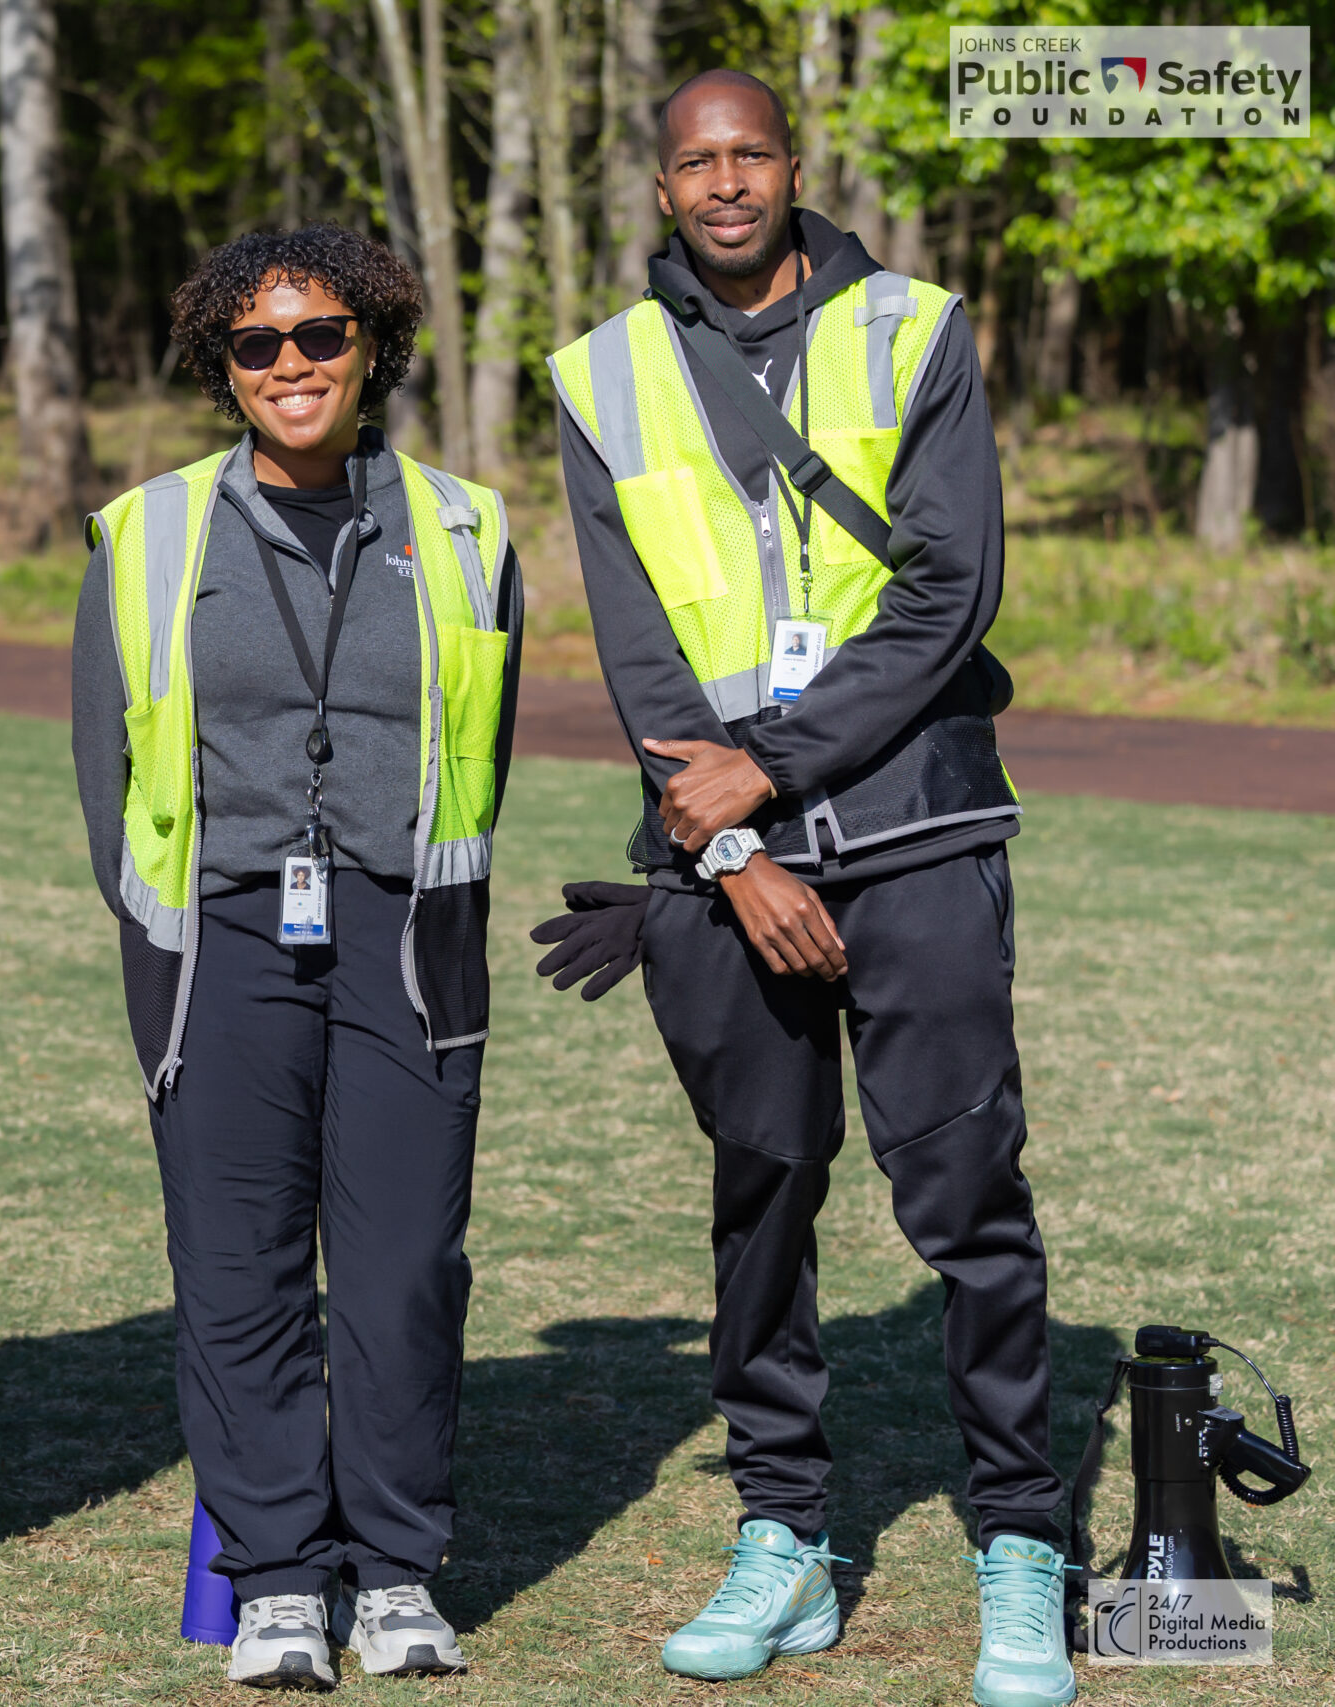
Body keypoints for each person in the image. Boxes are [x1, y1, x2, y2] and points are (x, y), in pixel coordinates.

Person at [541, 70, 1073, 1707]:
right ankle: (783, 1534)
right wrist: (731, 848)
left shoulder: (916, 330)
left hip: (916, 832)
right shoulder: (602, 374)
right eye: (695, 161)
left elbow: (948, 590)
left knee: (966, 1198)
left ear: (792, 165)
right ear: (659, 186)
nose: (725, 182)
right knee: (761, 1201)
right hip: (721, 865)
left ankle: (1022, 1541)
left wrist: (766, 769)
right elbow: (639, 651)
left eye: (750, 153)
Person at [73, 226, 523, 1691]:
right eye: (256, 345)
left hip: (408, 938)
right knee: (237, 1267)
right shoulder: (148, 532)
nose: (291, 365)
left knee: (402, 1271)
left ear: (373, 346)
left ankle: (395, 1572)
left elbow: (485, 742)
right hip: (222, 939)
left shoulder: (466, 528)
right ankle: (274, 1579)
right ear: (223, 367)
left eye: (321, 335)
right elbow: (104, 767)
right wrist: (163, 932)